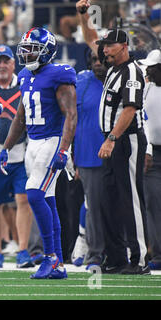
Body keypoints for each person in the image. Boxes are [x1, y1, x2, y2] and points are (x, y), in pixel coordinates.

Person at [1, 27, 77, 279]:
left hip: (52, 140)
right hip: (33, 143)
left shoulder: (59, 74)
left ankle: (51, 257)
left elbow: (71, 115)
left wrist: (64, 149)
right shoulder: (24, 74)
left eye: (32, 49)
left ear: (47, 51)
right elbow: (20, 117)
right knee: (48, 200)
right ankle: (59, 264)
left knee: (33, 194)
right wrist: (6, 147)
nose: (26, 53)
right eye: (24, 48)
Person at [95, 28, 149, 275]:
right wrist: (85, 17)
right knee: (109, 200)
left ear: (123, 46)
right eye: (104, 45)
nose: (105, 50)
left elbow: (129, 109)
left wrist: (112, 138)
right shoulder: (113, 70)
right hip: (111, 141)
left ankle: (139, 258)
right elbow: (90, 42)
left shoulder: (132, 72)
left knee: (131, 200)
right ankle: (116, 257)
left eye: (109, 45)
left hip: (125, 140)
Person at [0, 44, 34, 269]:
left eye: (6, 61)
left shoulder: (24, 85)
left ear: (14, 64)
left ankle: (23, 250)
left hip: (20, 152)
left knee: (23, 199)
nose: (2, 65)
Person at [71, 49, 108, 269]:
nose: (97, 64)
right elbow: (70, 118)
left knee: (115, 206)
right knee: (93, 206)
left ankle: (116, 251)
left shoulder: (119, 79)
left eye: (101, 60)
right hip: (87, 155)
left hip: (117, 155)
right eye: (93, 60)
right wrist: (72, 154)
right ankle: (94, 252)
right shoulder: (81, 81)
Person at [139, 49, 161, 271]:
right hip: (152, 152)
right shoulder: (145, 89)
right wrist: (146, 150)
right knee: (153, 203)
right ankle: (157, 252)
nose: (148, 72)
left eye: (151, 68)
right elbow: (142, 122)